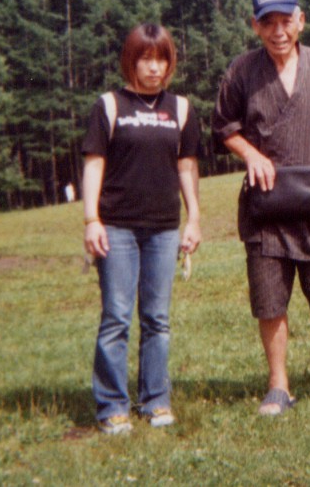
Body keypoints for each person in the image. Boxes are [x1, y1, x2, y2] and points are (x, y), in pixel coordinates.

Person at [212, 0, 310, 416]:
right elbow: (223, 126)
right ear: (255, 26)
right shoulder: (242, 70)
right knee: (270, 301)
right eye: (268, 23)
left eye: (285, 21)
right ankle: (278, 385)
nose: (278, 31)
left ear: (301, 21)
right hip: (266, 207)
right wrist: (251, 154)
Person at [82, 23, 202, 434]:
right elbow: (94, 164)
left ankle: (156, 400)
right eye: (145, 59)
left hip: (163, 229)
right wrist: (91, 219)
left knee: (157, 319)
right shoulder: (109, 105)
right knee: (116, 317)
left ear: (170, 63)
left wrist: (194, 218)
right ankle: (112, 406)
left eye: (161, 59)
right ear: (130, 62)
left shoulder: (181, 109)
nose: (154, 67)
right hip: (116, 227)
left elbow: (187, 167)